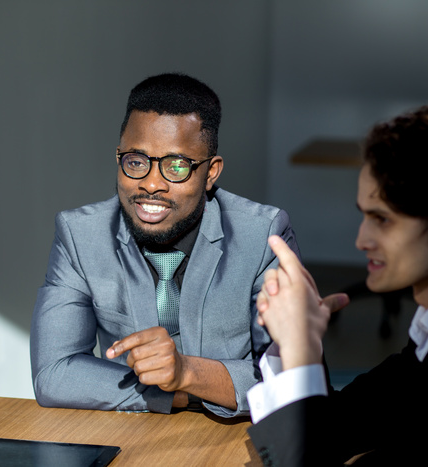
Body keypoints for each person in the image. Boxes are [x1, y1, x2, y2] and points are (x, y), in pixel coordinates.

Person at [31, 73, 298, 417]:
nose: (152, 184)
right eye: (136, 161)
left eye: (177, 166)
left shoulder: (263, 235)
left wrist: (186, 373)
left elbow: (288, 380)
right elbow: (54, 374)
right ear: (118, 158)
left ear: (211, 172)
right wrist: (177, 395)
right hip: (135, 436)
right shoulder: (81, 234)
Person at [247, 105, 428, 466]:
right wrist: (297, 343)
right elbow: (335, 430)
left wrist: (302, 349)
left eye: (382, 219)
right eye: (364, 215)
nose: (361, 240)